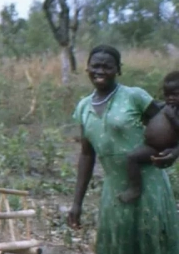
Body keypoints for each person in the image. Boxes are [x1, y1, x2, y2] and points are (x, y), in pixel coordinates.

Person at [68, 45, 179, 254]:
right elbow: (86, 155)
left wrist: (175, 152)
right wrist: (76, 203)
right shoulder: (83, 107)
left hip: (149, 186)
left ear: (118, 69)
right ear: (87, 68)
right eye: (95, 66)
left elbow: (171, 126)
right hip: (115, 191)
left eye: (107, 66)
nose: (100, 71)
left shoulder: (134, 97)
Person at [118, 70, 179, 203]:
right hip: (149, 145)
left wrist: (173, 118)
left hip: (162, 149)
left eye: (175, 95)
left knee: (133, 157)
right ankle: (135, 187)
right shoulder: (166, 106)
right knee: (131, 158)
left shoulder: (174, 112)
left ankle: (136, 189)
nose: (170, 98)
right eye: (167, 95)